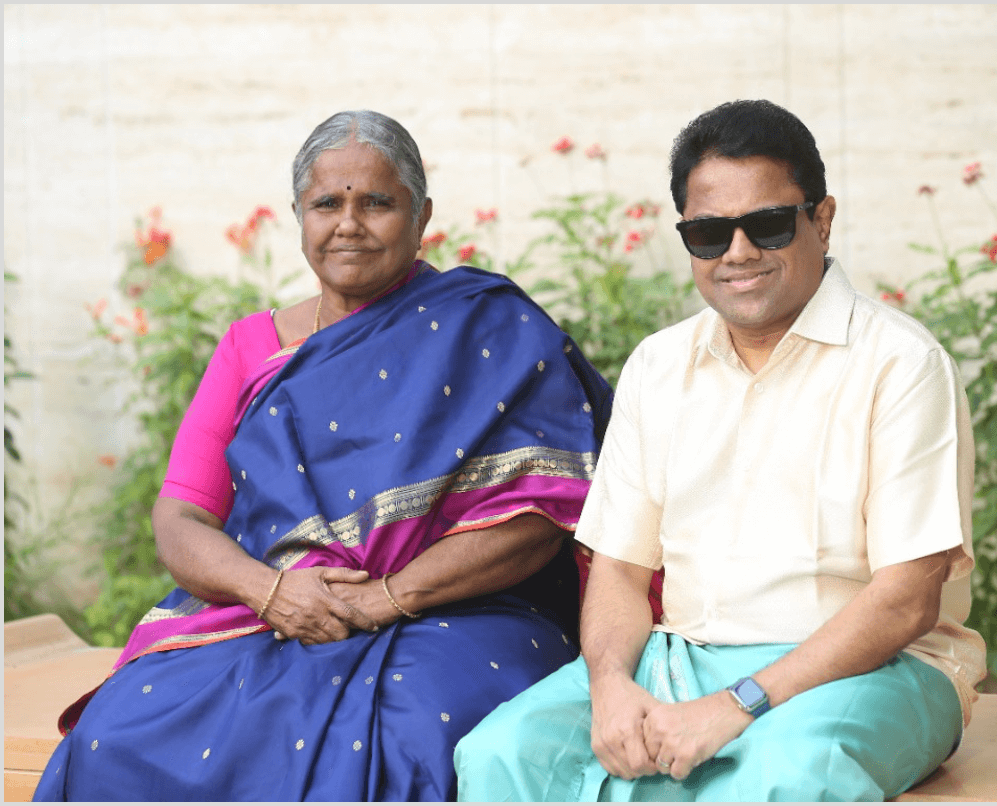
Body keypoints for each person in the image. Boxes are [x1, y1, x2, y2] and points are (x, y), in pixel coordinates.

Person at [34, 110, 612, 802]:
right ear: (299, 217)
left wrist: (387, 597)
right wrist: (270, 591)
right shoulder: (251, 347)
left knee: (416, 734)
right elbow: (182, 516)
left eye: (377, 202)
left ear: (421, 214)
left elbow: (542, 511)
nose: (349, 223)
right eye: (327, 204)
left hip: (461, 613)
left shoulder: (484, 326)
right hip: (270, 613)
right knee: (117, 733)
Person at [454, 99, 987, 802]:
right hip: (679, 660)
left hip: (874, 669)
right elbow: (618, 569)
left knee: (784, 780)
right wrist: (611, 686)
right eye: (708, 233)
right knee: (499, 754)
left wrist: (738, 704)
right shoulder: (659, 365)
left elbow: (906, 601)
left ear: (821, 221)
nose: (737, 254)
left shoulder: (901, 364)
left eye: (766, 225)